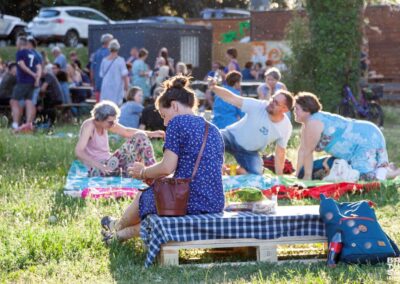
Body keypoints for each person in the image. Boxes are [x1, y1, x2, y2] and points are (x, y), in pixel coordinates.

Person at [100, 75, 224, 243]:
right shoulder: (214, 129)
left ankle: (117, 227)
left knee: (146, 196)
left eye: (164, 115)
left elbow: (167, 167)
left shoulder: (177, 123)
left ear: (174, 106)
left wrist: (143, 172)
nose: (165, 123)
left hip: (188, 199)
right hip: (214, 202)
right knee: (156, 199)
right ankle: (118, 234)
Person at [294, 92, 400, 181]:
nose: (294, 112)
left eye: (297, 109)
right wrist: (297, 174)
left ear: (306, 110)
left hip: (363, 136)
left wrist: (307, 176)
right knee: (367, 170)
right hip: (365, 132)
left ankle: (394, 173)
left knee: (363, 176)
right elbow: (302, 150)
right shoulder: (307, 124)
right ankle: (391, 170)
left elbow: (308, 152)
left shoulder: (314, 122)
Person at [208, 77, 294, 175]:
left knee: (256, 173)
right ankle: (217, 168)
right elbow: (232, 98)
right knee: (210, 139)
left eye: (276, 103)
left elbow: (280, 152)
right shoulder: (258, 105)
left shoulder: (286, 127)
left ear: (285, 109)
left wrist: (280, 177)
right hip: (230, 137)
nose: (271, 103)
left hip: (249, 152)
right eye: (272, 99)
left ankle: (229, 170)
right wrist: (214, 87)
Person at [75, 100, 164, 178]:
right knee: (139, 136)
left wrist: (151, 133)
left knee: (140, 136)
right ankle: (153, 172)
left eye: (114, 121)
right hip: (97, 169)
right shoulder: (89, 125)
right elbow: (79, 151)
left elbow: (126, 131)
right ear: (99, 119)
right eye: (110, 122)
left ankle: (151, 170)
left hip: (109, 164)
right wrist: (99, 166)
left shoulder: (105, 123)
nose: (113, 125)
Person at [10, 36, 41, 132]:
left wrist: (32, 74)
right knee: (29, 102)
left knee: (13, 101)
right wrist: (36, 79)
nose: (16, 44)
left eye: (16, 42)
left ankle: (15, 124)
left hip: (23, 81)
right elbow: (39, 67)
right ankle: (28, 125)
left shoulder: (20, 53)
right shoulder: (33, 54)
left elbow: (21, 65)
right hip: (32, 82)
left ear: (20, 43)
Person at [100, 39, 129, 106]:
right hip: (117, 86)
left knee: (105, 105)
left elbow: (101, 74)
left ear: (109, 49)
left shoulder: (104, 60)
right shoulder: (120, 60)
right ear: (118, 49)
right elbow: (125, 75)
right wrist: (126, 88)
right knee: (116, 106)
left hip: (106, 87)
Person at [90, 33, 113, 102]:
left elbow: (92, 70)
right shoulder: (110, 53)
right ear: (109, 42)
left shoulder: (96, 53)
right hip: (108, 86)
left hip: (98, 85)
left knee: (100, 107)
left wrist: (93, 83)